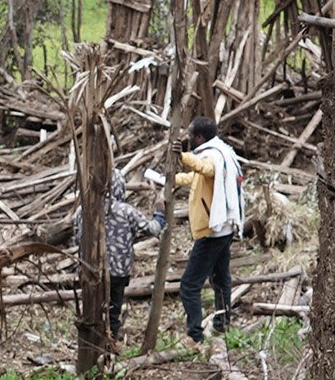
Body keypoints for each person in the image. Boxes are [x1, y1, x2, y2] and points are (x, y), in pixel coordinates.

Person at [72, 171, 166, 347]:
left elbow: (77, 238)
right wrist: (160, 213)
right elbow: (153, 230)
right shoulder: (125, 211)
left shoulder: (82, 210)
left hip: (89, 270)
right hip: (118, 271)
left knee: (91, 311)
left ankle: (91, 346)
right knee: (113, 311)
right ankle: (110, 342)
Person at [175, 115, 244, 342]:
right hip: (224, 229)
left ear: (199, 137)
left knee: (189, 285)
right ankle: (222, 323)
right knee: (221, 278)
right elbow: (196, 177)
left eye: (190, 135)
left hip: (212, 231)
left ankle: (195, 335)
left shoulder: (213, 156)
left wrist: (182, 156)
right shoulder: (222, 151)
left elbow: (205, 169)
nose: (188, 138)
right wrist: (169, 179)